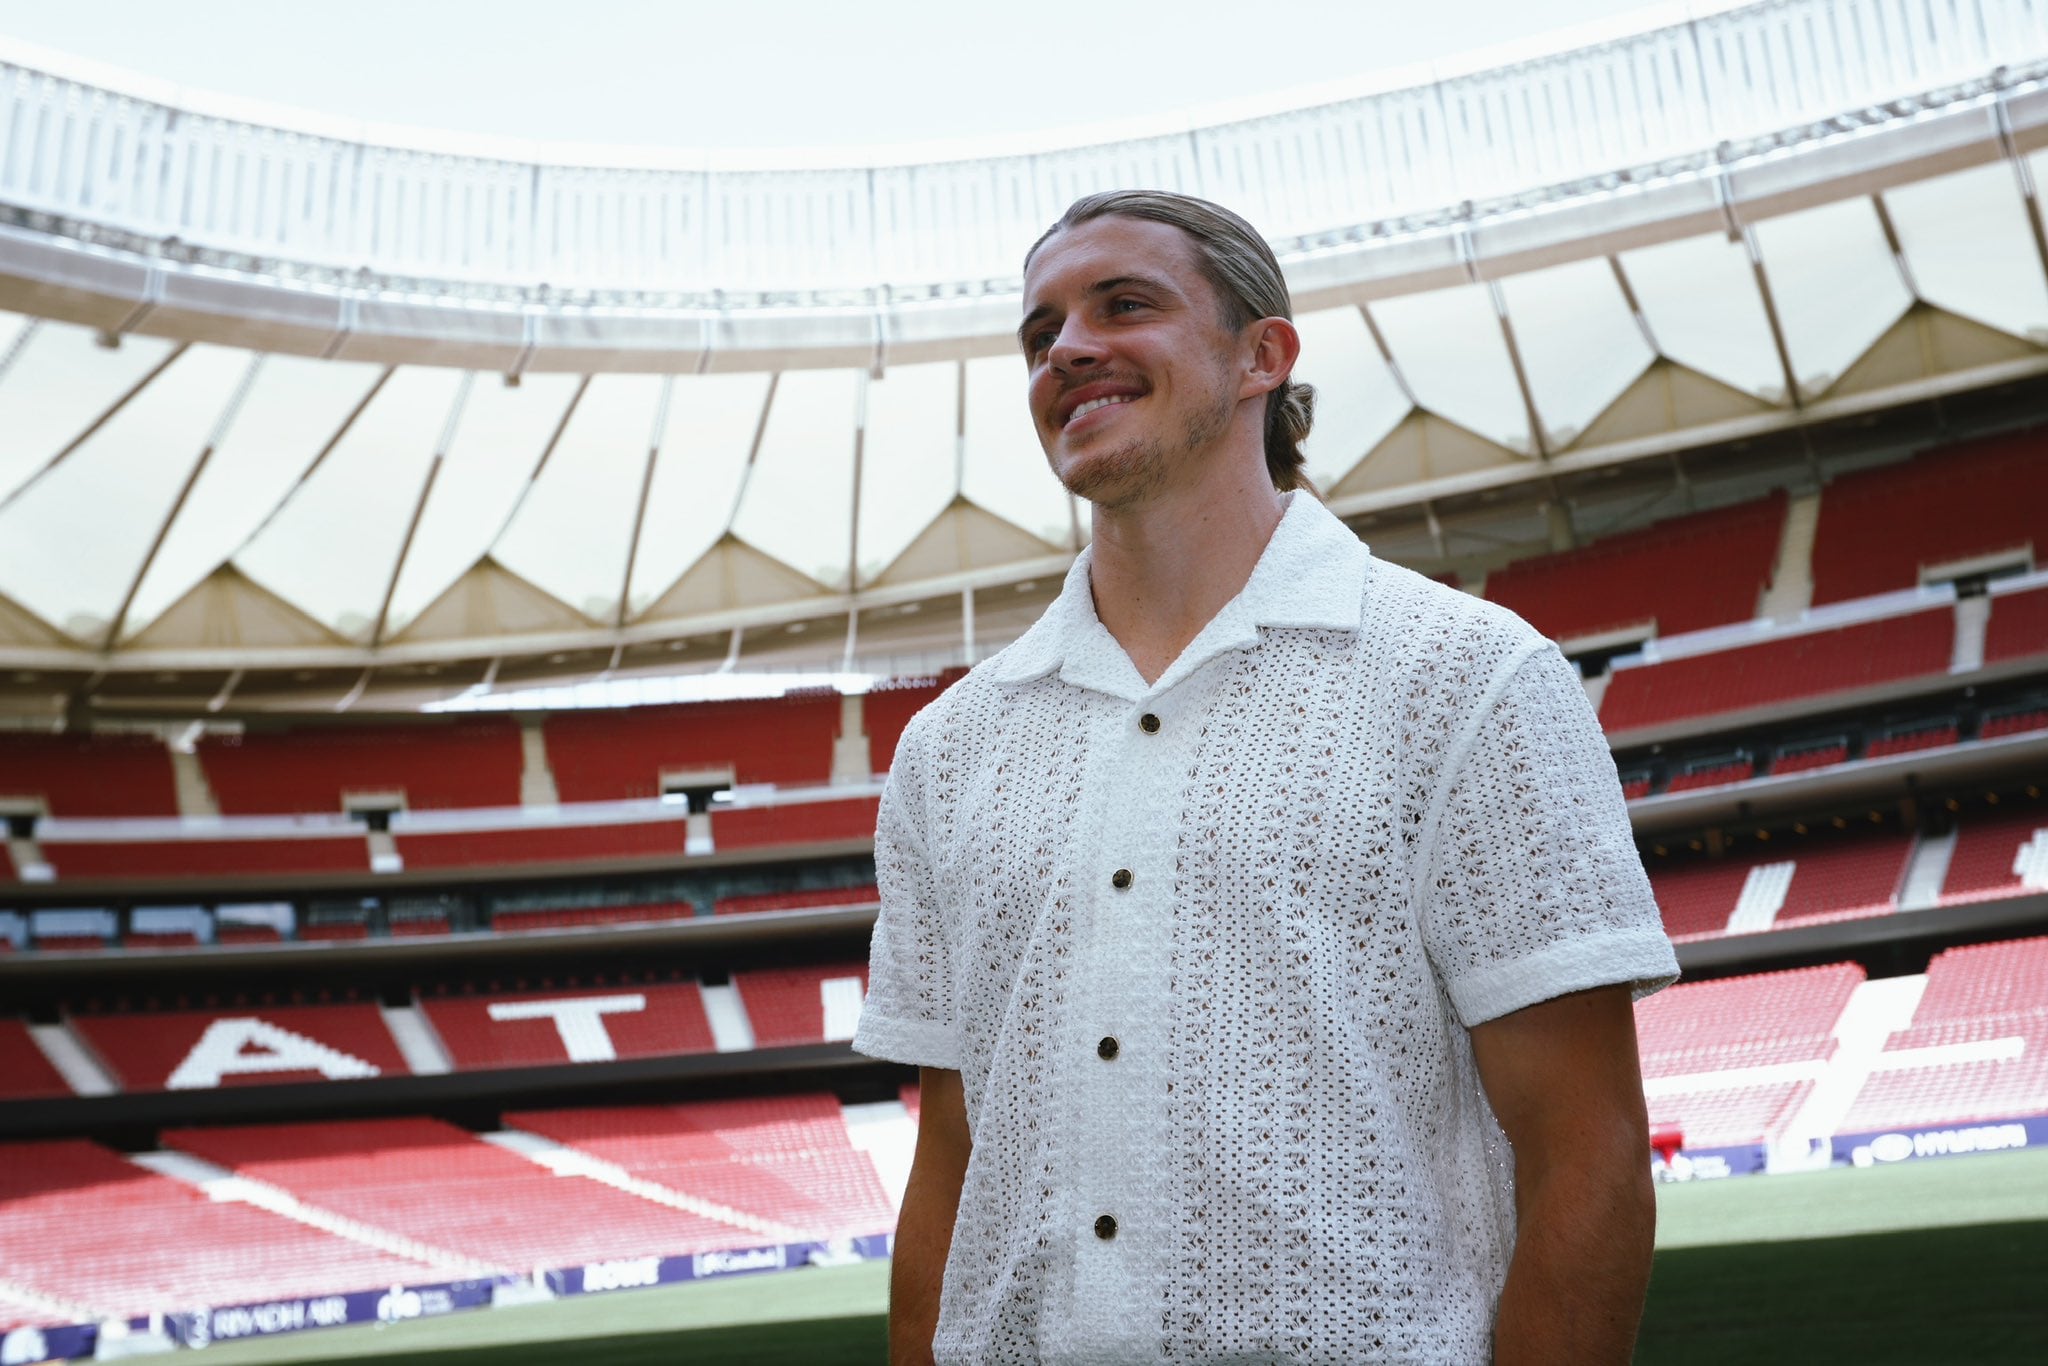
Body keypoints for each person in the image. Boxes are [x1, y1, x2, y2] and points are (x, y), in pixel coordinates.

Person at [854, 189, 1679, 1365]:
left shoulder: (1468, 676)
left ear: (1262, 355)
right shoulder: (947, 748)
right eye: (1041, 336)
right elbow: (951, 1161)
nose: (1067, 349)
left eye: (1121, 305)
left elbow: (1584, 1148)